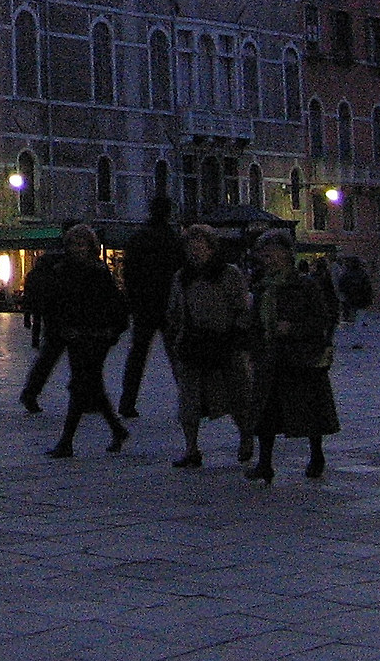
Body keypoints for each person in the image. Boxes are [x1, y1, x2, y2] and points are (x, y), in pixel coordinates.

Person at [244, 231, 340, 482]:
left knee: (308, 412)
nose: (268, 259)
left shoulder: (306, 285)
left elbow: (322, 318)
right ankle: (265, 464)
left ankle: (316, 456)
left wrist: (293, 328)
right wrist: (252, 352)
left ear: (287, 254)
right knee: (266, 413)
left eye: (273, 253)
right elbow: (255, 325)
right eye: (265, 255)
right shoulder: (262, 287)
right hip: (270, 358)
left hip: (300, 359)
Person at [33, 224, 130, 458]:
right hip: (75, 335)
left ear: (91, 247)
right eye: (74, 244)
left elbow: (112, 304)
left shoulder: (98, 273)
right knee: (91, 386)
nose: (78, 249)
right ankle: (117, 429)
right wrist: (59, 328)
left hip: (94, 337)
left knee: (81, 385)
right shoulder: (61, 271)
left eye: (82, 244)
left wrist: (111, 331)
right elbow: (55, 303)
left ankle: (67, 442)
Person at [164, 224, 251, 467]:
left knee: (236, 396)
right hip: (192, 344)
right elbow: (173, 311)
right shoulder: (181, 277)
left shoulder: (229, 274)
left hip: (225, 344)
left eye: (200, 247)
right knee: (188, 400)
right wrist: (177, 336)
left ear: (211, 248)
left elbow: (242, 308)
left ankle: (246, 438)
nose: (195, 252)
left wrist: (235, 335)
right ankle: (191, 448)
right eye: (191, 248)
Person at [117, 196, 186, 418]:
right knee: (177, 356)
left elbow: (128, 272)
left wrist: (134, 300)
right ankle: (189, 400)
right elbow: (181, 273)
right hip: (166, 305)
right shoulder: (173, 239)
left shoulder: (138, 238)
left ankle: (127, 402)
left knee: (137, 355)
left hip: (145, 306)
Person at [17, 250, 68, 414]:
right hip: (59, 315)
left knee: (48, 355)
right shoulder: (61, 267)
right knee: (52, 356)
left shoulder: (36, 273)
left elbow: (29, 292)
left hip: (50, 312)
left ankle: (30, 392)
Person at [336, 255, 374, 343]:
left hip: (350, 300)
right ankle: (357, 340)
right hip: (362, 300)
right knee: (359, 320)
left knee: (352, 321)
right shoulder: (363, 274)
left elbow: (341, 287)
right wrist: (370, 299)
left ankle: (353, 339)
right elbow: (368, 288)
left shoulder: (346, 274)